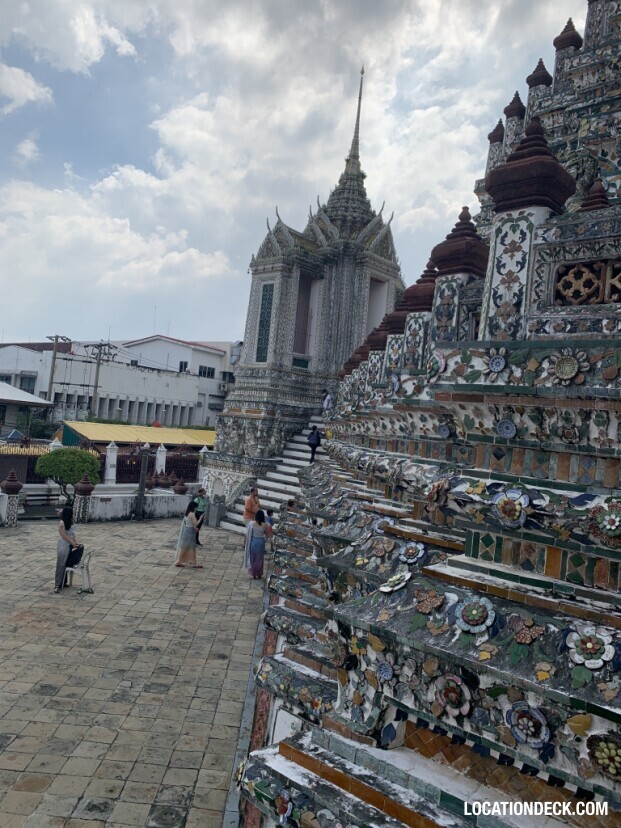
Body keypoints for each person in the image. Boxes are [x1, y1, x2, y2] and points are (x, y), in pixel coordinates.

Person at [54, 507, 81, 593]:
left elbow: (73, 533)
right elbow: (64, 535)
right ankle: (58, 584)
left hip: (70, 544)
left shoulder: (71, 522)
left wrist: (75, 542)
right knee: (61, 564)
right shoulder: (62, 523)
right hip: (63, 545)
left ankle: (64, 582)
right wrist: (72, 542)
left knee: (66, 563)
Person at [175, 501, 204, 568]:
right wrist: (200, 518)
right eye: (196, 507)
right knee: (191, 547)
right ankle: (194, 562)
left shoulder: (187, 512)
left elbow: (188, 522)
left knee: (184, 547)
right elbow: (196, 523)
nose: (196, 508)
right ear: (194, 507)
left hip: (186, 530)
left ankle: (179, 561)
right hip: (190, 532)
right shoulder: (192, 514)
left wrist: (194, 528)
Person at [244, 509, 271, 579]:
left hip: (253, 541)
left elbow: (248, 534)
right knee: (260, 558)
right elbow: (267, 534)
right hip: (261, 541)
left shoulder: (252, 524)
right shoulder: (265, 525)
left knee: (253, 557)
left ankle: (254, 573)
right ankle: (259, 573)